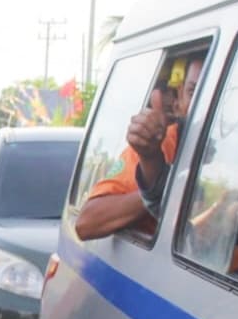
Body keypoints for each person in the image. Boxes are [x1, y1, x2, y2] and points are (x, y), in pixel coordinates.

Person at [76, 58, 202, 240]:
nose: (203, 106)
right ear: (179, 98)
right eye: (193, 92)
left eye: (218, 96)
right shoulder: (161, 142)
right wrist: (158, 190)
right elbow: (87, 223)